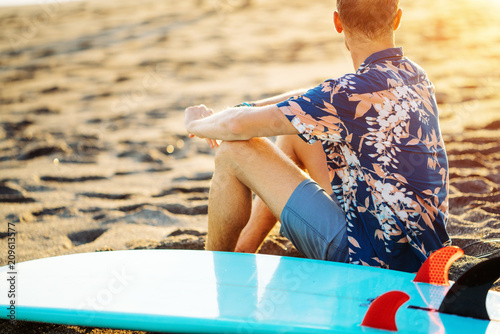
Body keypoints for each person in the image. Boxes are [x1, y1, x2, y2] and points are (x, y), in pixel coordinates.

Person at [184, 0, 451, 272]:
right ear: (397, 19)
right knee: (297, 133)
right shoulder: (415, 75)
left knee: (232, 152)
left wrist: (197, 123)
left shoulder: (345, 94)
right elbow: (307, 98)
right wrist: (249, 108)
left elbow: (236, 128)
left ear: (337, 23)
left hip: (371, 260)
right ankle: (244, 246)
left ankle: (214, 268)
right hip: (423, 253)